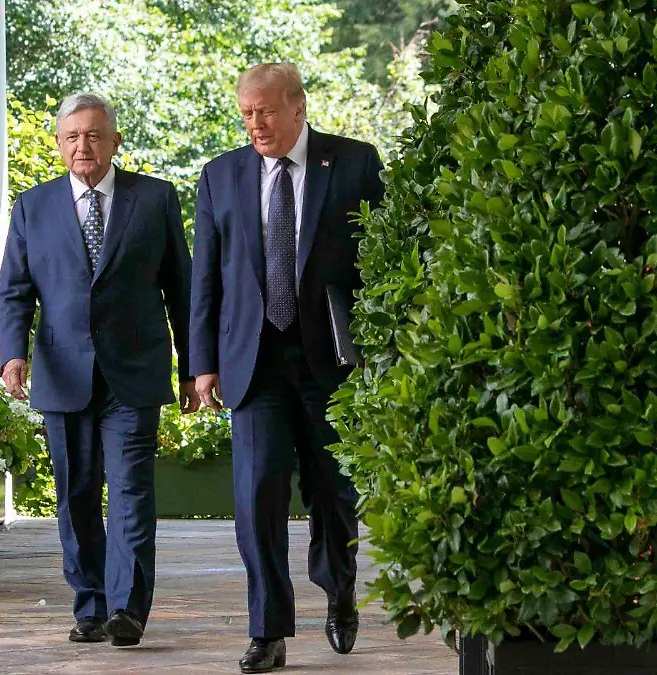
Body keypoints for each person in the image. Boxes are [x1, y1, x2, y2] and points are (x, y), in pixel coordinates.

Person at [189, 63, 384, 673]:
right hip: (253, 362)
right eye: (247, 114)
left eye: (266, 112)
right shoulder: (221, 175)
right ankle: (267, 629)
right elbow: (206, 278)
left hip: (330, 359)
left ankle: (339, 589)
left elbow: (381, 262)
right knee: (257, 497)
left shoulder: (354, 164)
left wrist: (379, 348)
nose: (255, 124)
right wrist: (201, 364)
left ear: (298, 107)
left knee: (334, 492)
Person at [0, 92, 197, 648]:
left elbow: (181, 289)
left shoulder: (154, 198)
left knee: (131, 491)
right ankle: (90, 605)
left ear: (114, 141)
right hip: (62, 374)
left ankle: (127, 608)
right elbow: (14, 291)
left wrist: (192, 368)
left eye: (92, 135)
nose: (82, 145)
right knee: (77, 495)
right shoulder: (32, 207)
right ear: (59, 145)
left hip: (134, 373)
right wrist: (12, 354)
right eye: (72, 137)